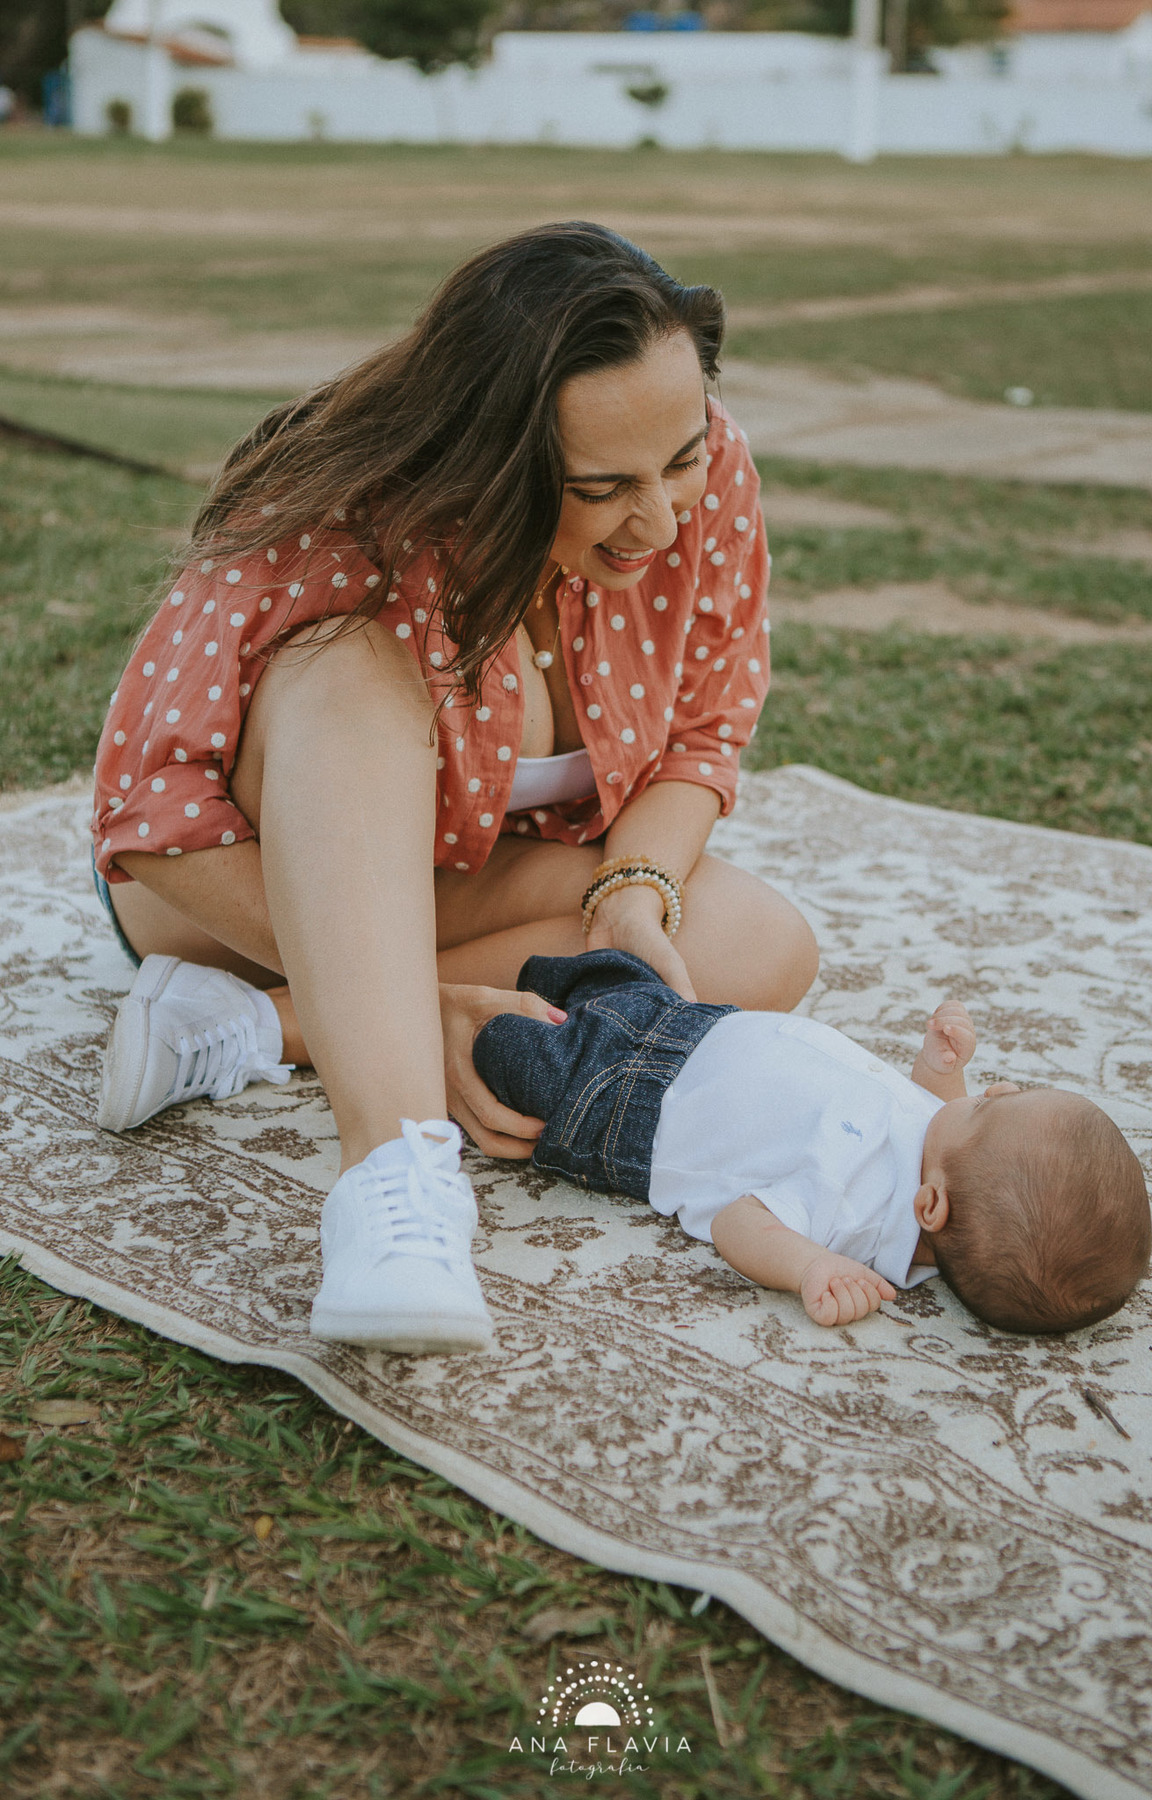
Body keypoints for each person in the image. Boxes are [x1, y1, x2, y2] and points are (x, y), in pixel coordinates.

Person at [90, 222, 818, 1356]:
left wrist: (633, 891)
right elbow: (149, 813)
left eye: (681, 461)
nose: (663, 520)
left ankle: (265, 1029)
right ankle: (395, 1183)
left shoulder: (704, 473)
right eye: (602, 488)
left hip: (447, 890)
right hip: (230, 897)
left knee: (760, 945)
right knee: (349, 662)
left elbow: (701, 739)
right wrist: (408, 1005)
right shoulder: (344, 517)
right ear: (496, 461)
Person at [474, 949, 1152, 1334]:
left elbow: (740, 1222)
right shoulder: (943, 1157)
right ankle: (482, 968)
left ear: (930, 1207)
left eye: (987, 1109)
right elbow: (936, 1118)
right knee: (602, 969)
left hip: (630, 1101)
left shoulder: (855, 1215)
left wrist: (807, 1267)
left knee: (502, 1050)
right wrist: (943, 1071)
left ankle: (444, 1021)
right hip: (693, 1024)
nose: (996, 1089)